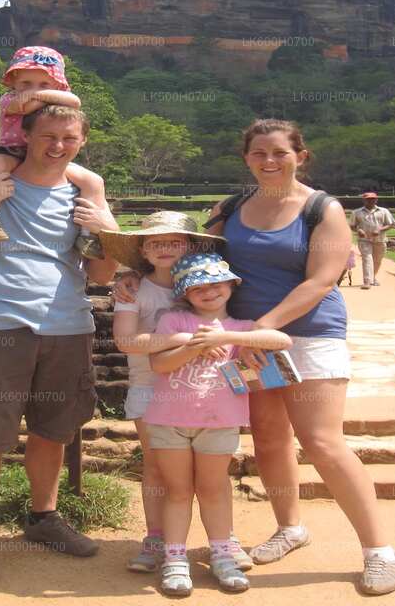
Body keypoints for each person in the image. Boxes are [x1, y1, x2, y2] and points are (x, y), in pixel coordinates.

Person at [115, 119, 395, 596]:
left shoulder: (320, 209)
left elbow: (321, 279)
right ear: (246, 158)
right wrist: (133, 275)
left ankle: (378, 551)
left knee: (322, 441)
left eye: (280, 152)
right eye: (259, 153)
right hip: (240, 340)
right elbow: (187, 255)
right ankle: (290, 527)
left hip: (306, 333)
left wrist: (261, 329)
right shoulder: (230, 208)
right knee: (268, 439)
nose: (269, 161)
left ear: (300, 155)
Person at [0, 104, 119, 583]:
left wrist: (105, 229)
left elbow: (101, 275)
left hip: (67, 326)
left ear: (81, 143)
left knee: (54, 430)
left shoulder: (82, 194)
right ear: (25, 135)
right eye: (48, 135)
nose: (57, 146)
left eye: (69, 138)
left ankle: (43, 517)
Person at [99, 211, 245, 574]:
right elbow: (126, 340)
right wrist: (185, 340)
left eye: (174, 241)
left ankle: (224, 539)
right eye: (156, 242)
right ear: (143, 251)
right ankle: (157, 537)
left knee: (213, 473)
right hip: (152, 386)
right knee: (158, 469)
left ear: (191, 245)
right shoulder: (133, 288)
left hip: (207, 390)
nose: (165, 248)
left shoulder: (208, 284)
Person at [145, 252, 293, 596]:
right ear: (184, 293)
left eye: (215, 283)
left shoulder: (242, 328)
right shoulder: (175, 322)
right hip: (170, 421)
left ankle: (222, 552)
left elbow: (281, 341)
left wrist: (224, 339)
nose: (208, 291)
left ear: (231, 284)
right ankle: (175, 557)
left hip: (220, 422)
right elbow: (159, 365)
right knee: (178, 491)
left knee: (214, 488)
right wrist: (197, 346)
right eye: (198, 287)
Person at [0, 46, 109, 259]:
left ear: (58, 85)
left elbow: (75, 102)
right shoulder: (9, 100)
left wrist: (36, 93)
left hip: (48, 156)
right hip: (12, 150)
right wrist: (46, 94)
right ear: (13, 82)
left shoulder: (57, 102)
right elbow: (27, 107)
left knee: (93, 181)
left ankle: (87, 235)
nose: (32, 89)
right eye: (26, 84)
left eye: (44, 84)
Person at [350, 192, 395, 289]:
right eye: (368, 199)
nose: (371, 201)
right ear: (364, 200)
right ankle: (367, 281)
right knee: (367, 258)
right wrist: (358, 230)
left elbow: (390, 224)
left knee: (377, 260)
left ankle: (373, 277)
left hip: (380, 239)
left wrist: (379, 230)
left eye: (373, 199)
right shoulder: (356, 212)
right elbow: (352, 225)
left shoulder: (383, 211)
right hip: (364, 239)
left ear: (376, 200)